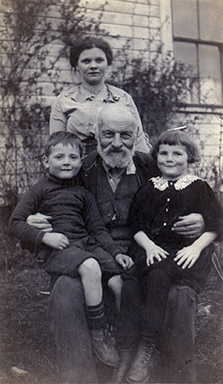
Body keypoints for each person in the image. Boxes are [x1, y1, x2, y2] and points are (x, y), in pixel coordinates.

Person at [26, 105, 205, 383]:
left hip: (146, 253)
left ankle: (173, 375)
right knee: (65, 289)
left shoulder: (151, 165)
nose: (117, 143)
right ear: (96, 134)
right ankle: (80, 378)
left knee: (178, 294)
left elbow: (190, 194)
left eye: (126, 134)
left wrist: (201, 221)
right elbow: (47, 195)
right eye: (108, 134)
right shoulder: (80, 167)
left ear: (137, 135)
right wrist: (34, 218)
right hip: (91, 253)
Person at [8, 131, 134, 368]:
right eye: (59, 157)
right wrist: (45, 236)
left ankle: (122, 335)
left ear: (80, 161)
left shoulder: (83, 194)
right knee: (90, 267)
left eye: (73, 157)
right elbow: (14, 224)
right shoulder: (39, 190)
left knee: (120, 279)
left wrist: (116, 253)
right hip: (57, 250)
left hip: (85, 244)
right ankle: (98, 335)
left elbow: (97, 230)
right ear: (46, 161)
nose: (67, 162)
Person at [118, 129, 223, 383]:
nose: (169, 158)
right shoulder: (149, 188)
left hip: (186, 253)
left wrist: (196, 247)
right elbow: (136, 226)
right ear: (157, 157)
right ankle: (126, 352)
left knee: (158, 273)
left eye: (177, 153)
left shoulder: (199, 187)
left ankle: (147, 345)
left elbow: (217, 225)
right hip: (154, 250)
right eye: (164, 153)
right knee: (131, 283)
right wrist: (149, 247)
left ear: (190, 158)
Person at [49, 35, 150, 156]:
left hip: (117, 166)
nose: (93, 66)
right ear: (76, 65)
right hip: (79, 169)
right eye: (86, 61)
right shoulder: (64, 101)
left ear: (108, 64)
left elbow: (138, 140)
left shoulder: (123, 98)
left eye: (99, 60)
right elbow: (56, 147)